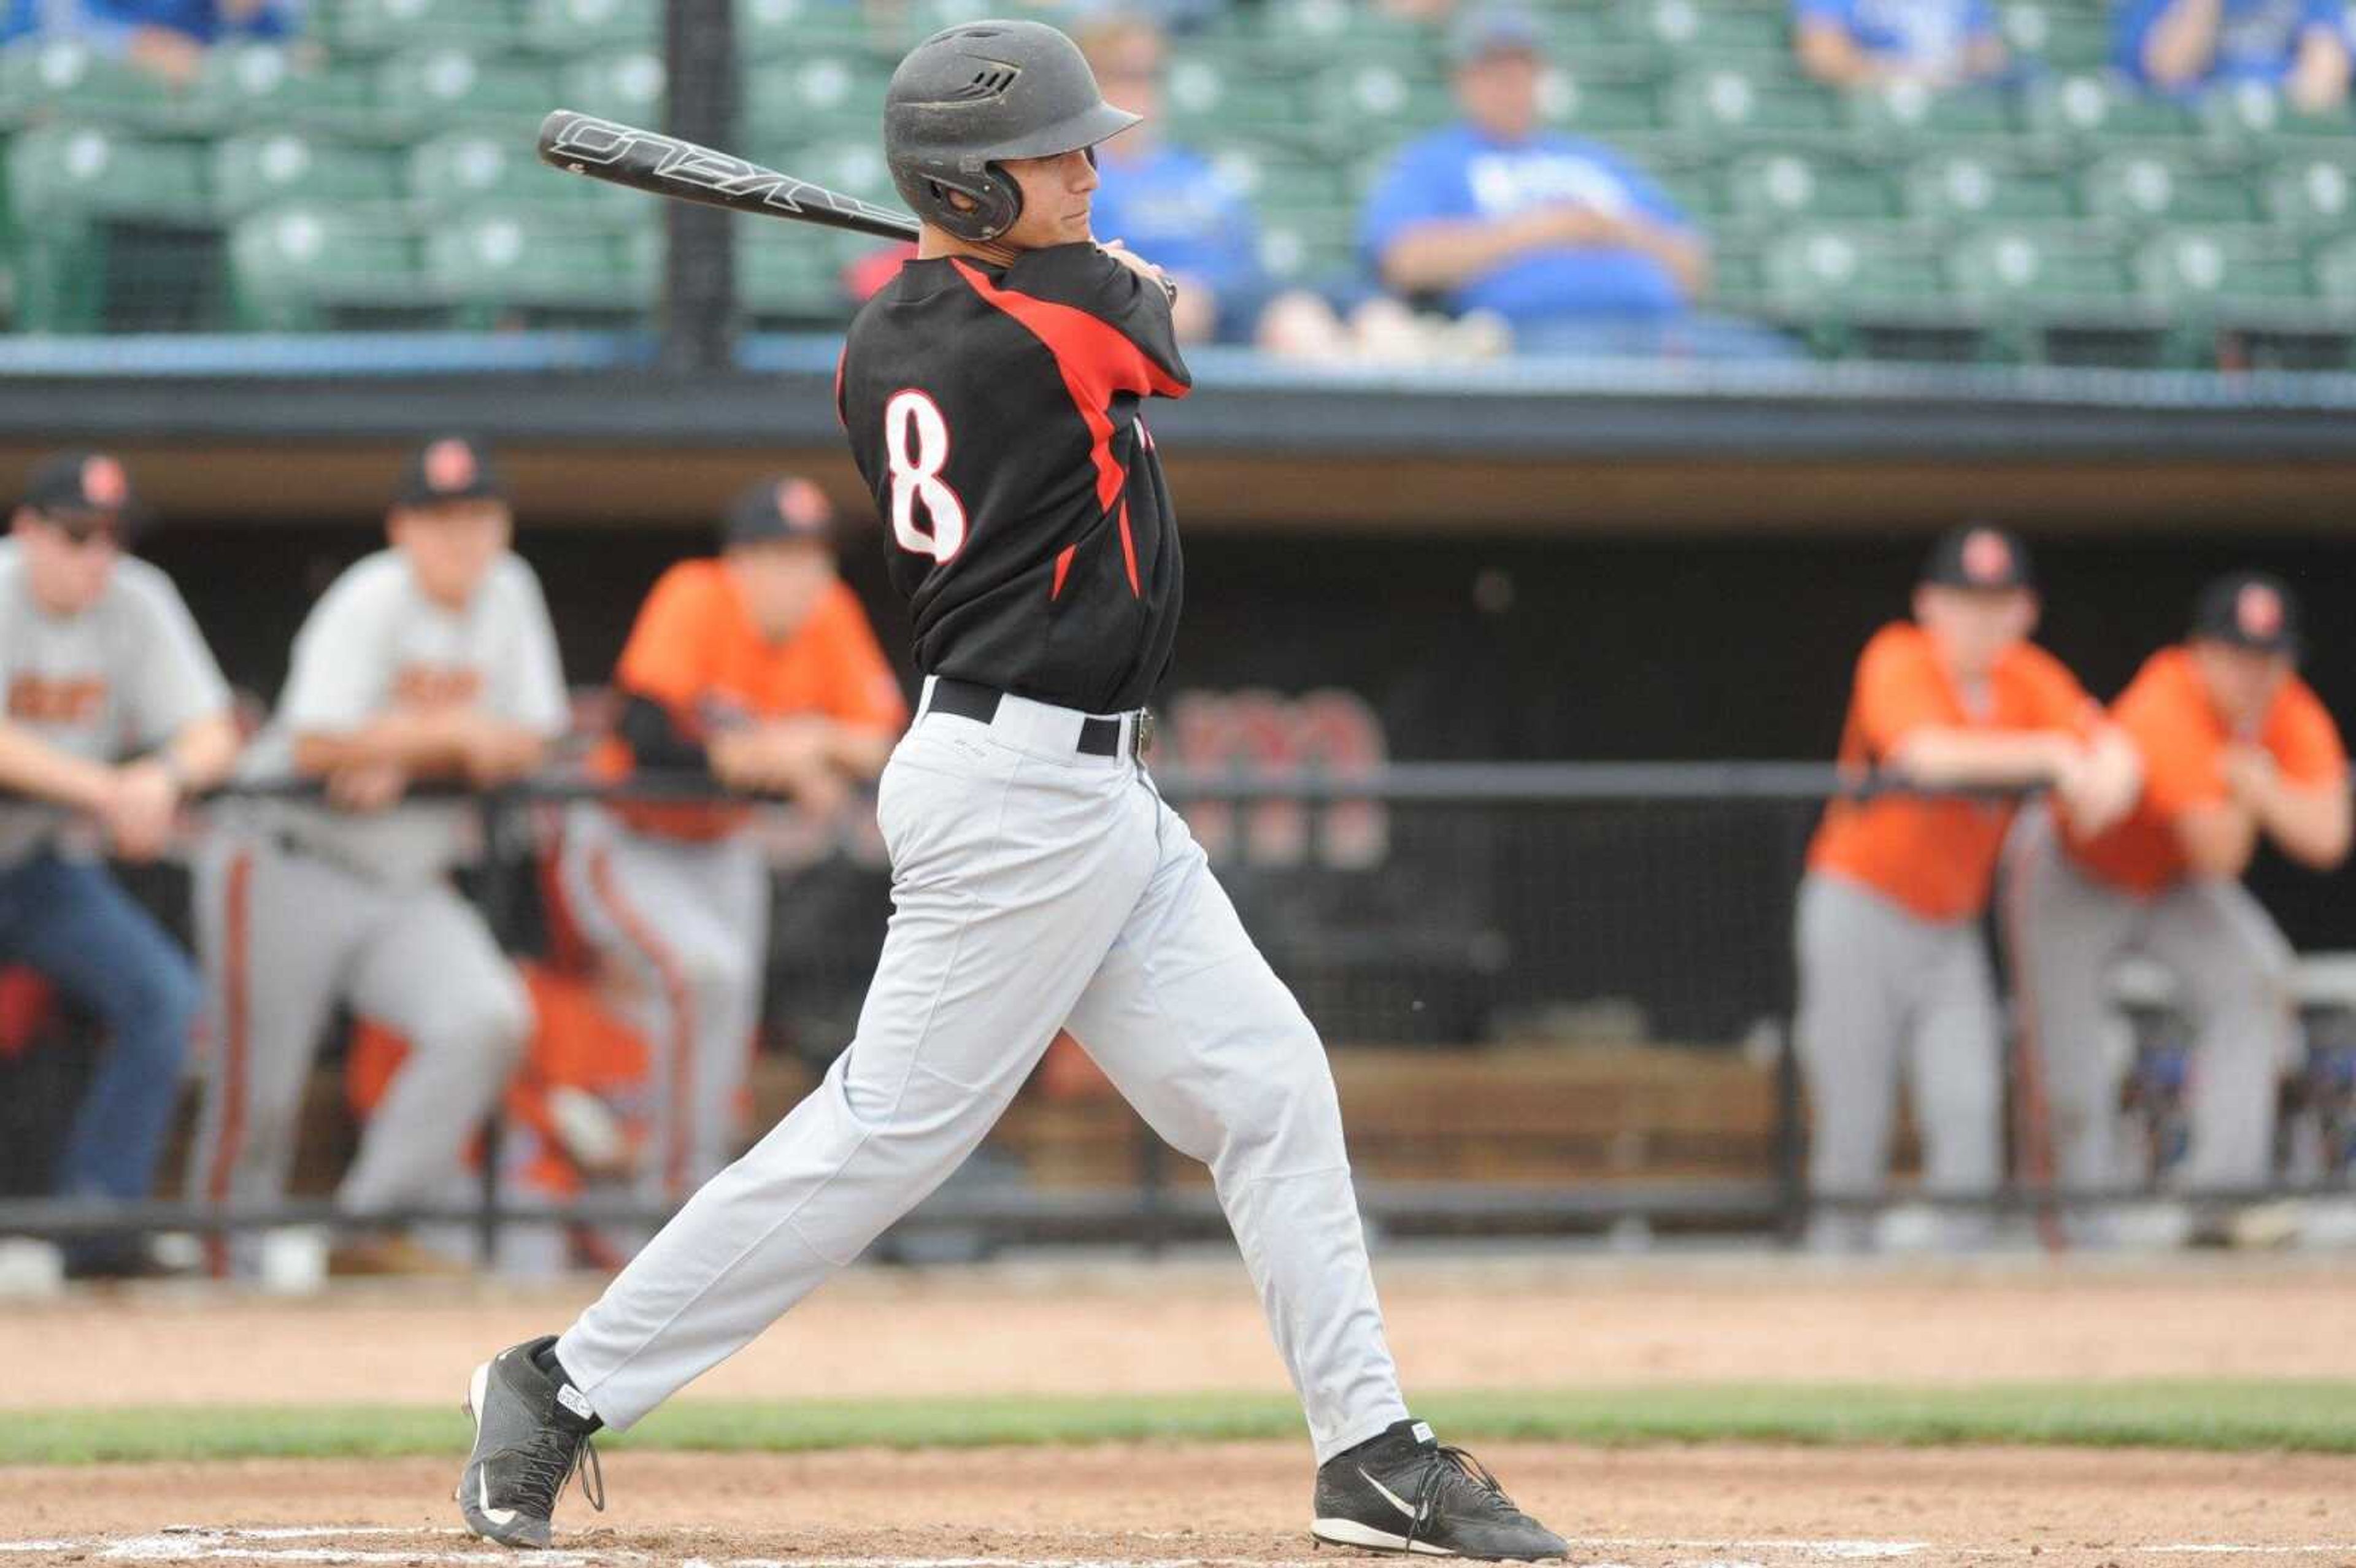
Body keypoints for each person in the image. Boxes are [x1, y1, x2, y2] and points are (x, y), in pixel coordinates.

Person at [455, 20, 1567, 1561]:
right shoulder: (1056, 321)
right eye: (1052, 157)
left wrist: (998, 252)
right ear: (966, 192)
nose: (1090, 172)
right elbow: (1159, 329)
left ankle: (1368, 1450)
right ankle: (557, 1384)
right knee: (882, 1140)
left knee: (1265, 1091)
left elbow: (1056, 320)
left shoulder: (884, 341)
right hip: (1014, 793)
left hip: (1087, 789)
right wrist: (1045, 267)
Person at [185, 436, 569, 1278]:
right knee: (264, 1093)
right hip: (289, 859)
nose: (462, 537)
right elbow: (319, 742)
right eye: (441, 519)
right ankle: (221, 1278)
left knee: (487, 1018)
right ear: (403, 527)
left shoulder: (511, 591)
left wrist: (408, 749)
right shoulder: (372, 597)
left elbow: (534, 739)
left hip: (403, 879)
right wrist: (457, 737)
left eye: (479, 515)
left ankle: (365, 1227)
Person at [557, 474, 907, 1208]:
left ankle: (691, 1184)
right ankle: (671, 1198)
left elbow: (883, 743)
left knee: (730, 999)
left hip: (722, 846)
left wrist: (800, 743)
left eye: (814, 556)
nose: (802, 575)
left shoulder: (830, 614)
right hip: (630, 838)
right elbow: (647, 734)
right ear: (740, 562)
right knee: (703, 976)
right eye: (780, 555)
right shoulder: (697, 594)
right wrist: (770, 756)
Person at [1796, 525, 2138, 1252]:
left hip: (1949, 929)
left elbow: (2116, 754)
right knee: (1855, 1126)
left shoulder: (2030, 678)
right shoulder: (1898, 656)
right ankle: (1827, 1311)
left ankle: (1963, 1327)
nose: (1981, 621)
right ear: (1929, 605)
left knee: (1968, 1109)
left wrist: (2105, 772)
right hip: (1859, 909)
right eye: (1963, 601)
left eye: (1998, 604)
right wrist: (2054, 756)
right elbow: (1926, 758)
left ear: (2025, 613)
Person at [2006, 573, 2350, 1240]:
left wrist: (2253, 783)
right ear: (2201, 652)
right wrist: (2261, 786)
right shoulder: (2167, 698)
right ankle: (2068, 1233)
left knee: (2256, 980)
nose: (2255, 676)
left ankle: (2223, 1200)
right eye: (2237, 656)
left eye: (2270, 658)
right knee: (2065, 1053)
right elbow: (2220, 851)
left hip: (2170, 880)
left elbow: (2329, 836)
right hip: (2077, 871)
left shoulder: (2290, 709)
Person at [0, 451, 238, 1276]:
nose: (97, 557)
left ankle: (95, 1226)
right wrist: (108, 789)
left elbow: (213, 732)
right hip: (51, 833)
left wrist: (161, 780)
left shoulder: (139, 598)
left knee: (163, 998)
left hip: (36, 866)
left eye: (112, 537)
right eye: (75, 536)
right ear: (26, 531)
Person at [1360, 4, 1790, 360]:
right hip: (1536, 335)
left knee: (1772, 360)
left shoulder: (1592, 159)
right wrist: (1540, 230)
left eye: (1523, 70)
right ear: (1464, 82)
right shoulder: (1437, 161)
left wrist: (1615, 230)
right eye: (1495, 71)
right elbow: (1407, 260)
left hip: (1662, 332)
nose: (1512, 86)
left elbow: (1694, 268)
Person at [1076, 10, 1266, 344]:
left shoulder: (1193, 169)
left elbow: (1244, 264)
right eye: (1126, 74)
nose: (1141, 90)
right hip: (1119, 321)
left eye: (1153, 75)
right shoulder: (1075, 175)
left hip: (1226, 319)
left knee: (1302, 317)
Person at [2114, 0, 2353, 110]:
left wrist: (2270, 117)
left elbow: (2325, 80)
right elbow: (2169, 71)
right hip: (2197, 128)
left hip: (2281, 119)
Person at [1, 0, 301, 87]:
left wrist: (246, 16)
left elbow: (284, 36)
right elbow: (55, 15)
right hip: (56, 97)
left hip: (185, 113)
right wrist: (132, 45)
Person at [1794, 0, 2010, 88]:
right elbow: (1824, 59)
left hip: (1953, 104)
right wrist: (1912, 73)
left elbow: (1988, 55)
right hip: (1872, 108)